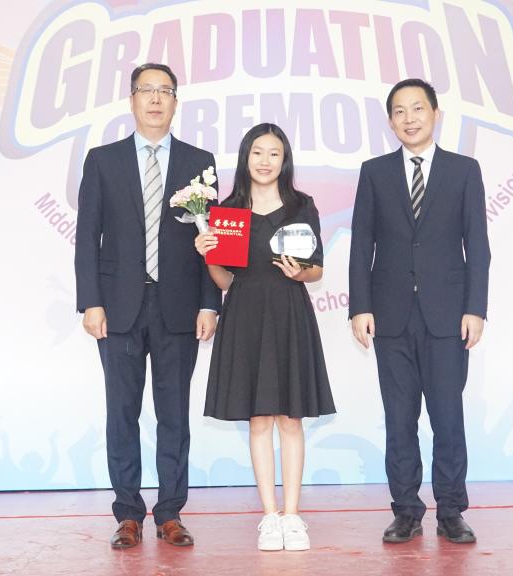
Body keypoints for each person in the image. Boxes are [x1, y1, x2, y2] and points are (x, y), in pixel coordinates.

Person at [75, 62, 221, 549]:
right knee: (122, 412)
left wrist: (210, 303)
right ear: (132, 99)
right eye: (146, 90)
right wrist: (91, 302)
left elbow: (210, 241)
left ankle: (171, 513)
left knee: (174, 414)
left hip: (180, 306)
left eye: (165, 91)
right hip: (118, 307)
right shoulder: (103, 160)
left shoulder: (199, 161)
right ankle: (128, 514)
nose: (156, 99)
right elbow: (87, 238)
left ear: (176, 101)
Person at [348, 78, 491, 544]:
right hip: (389, 315)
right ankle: (406, 510)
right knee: (399, 418)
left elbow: (478, 245)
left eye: (417, 109)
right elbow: (361, 244)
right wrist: (359, 306)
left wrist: (475, 308)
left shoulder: (463, 170)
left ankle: (451, 510)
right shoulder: (374, 172)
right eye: (399, 111)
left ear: (435, 114)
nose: (409, 119)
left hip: (448, 316)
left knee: (448, 418)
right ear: (390, 121)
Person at [195, 123, 336, 552]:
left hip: (289, 313)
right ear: (246, 156)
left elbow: (317, 269)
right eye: (258, 152)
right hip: (245, 316)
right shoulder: (229, 210)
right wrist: (208, 255)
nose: (265, 161)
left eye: (274, 153)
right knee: (258, 420)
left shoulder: (301, 205)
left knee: (291, 419)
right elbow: (225, 280)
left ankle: (293, 516)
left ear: (284, 160)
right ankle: (270, 517)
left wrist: (300, 272)